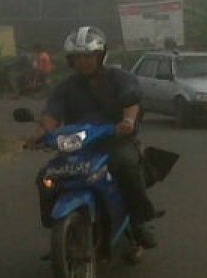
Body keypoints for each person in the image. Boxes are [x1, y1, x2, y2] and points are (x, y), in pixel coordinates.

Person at [31, 26, 161, 248]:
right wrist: (40, 134)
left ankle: (139, 223)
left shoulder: (120, 78)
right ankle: (58, 229)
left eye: (89, 56)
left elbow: (132, 101)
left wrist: (128, 122)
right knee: (45, 177)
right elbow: (52, 113)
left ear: (100, 56)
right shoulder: (65, 87)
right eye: (78, 57)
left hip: (115, 141)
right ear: (71, 61)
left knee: (127, 166)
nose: (83, 61)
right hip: (77, 145)